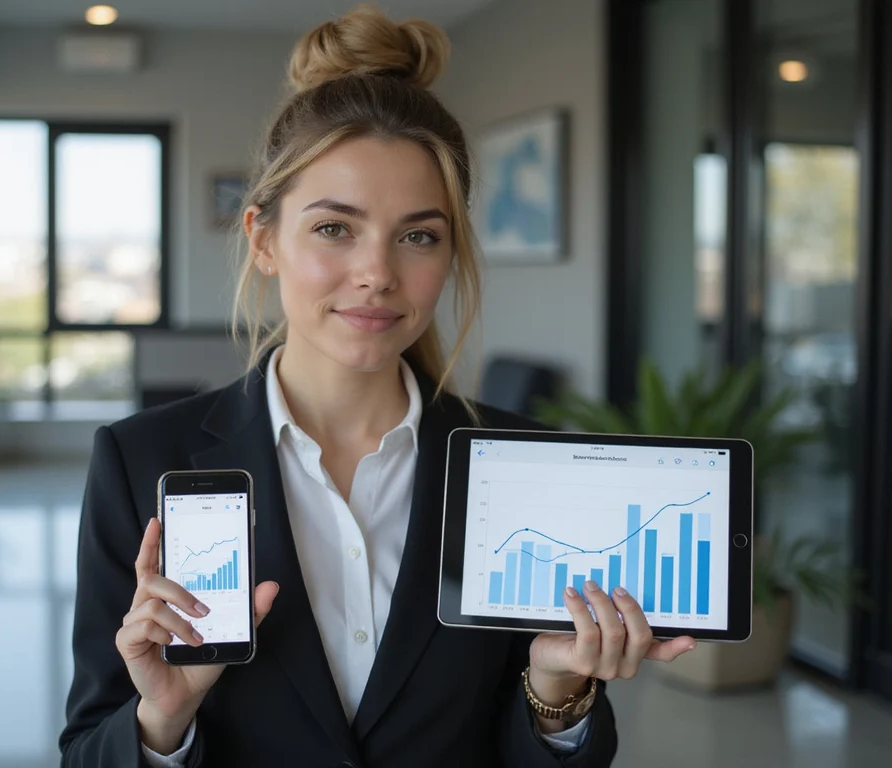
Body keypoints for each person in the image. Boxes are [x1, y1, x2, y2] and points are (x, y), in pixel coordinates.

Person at [59, 5, 696, 767]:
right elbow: (87, 748)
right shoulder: (140, 461)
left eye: (418, 236)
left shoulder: (521, 462)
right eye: (334, 228)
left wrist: (555, 691)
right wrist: (160, 723)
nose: (377, 274)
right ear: (264, 240)